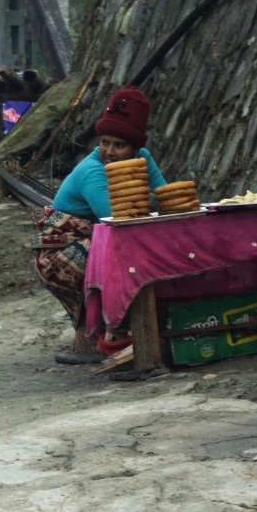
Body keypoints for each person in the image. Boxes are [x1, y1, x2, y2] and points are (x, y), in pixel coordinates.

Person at [36, 85, 166, 363]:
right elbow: (115, 215)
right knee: (119, 250)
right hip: (61, 254)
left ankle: (121, 332)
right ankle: (106, 335)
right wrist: (147, 197)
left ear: (135, 148)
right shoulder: (91, 171)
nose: (109, 151)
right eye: (105, 142)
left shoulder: (143, 160)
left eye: (119, 145)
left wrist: (145, 197)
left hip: (96, 239)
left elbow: (165, 195)